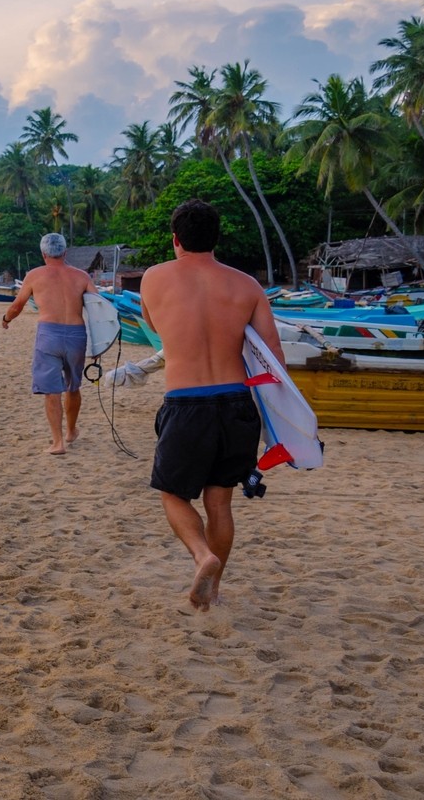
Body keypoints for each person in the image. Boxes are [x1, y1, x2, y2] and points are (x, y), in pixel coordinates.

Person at [139, 199, 279, 612]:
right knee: (220, 502)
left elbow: (152, 324)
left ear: (176, 239)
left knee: (171, 494)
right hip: (237, 405)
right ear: (217, 238)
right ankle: (213, 591)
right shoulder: (247, 286)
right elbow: (272, 356)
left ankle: (203, 557)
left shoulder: (154, 278)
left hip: (186, 403)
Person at [1, 232, 95, 454]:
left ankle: (58, 442)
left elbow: (17, 305)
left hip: (49, 335)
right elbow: (98, 308)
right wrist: (100, 344)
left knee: (52, 390)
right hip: (76, 335)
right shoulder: (82, 276)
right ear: (65, 252)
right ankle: (71, 431)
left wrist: (6, 320)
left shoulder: (34, 275)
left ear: (43, 253)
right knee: (73, 386)